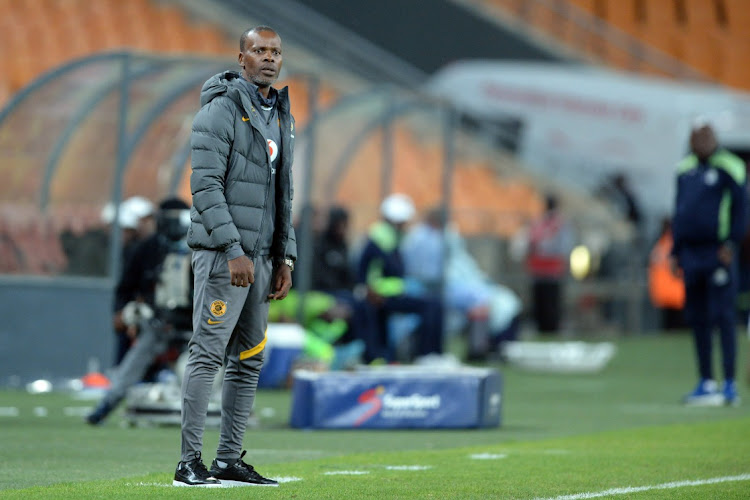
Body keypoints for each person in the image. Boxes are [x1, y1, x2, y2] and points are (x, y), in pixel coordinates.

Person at [174, 26, 296, 488]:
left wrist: (285, 257)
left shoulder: (280, 113)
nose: (268, 58)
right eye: (259, 50)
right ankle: (189, 462)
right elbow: (204, 187)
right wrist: (233, 249)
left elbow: (284, 192)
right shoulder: (219, 110)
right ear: (240, 57)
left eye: (275, 52)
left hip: (262, 259)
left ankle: (228, 459)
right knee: (207, 355)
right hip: (227, 258)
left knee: (249, 359)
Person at [86, 198, 192, 425]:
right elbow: (126, 287)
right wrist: (124, 312)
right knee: (133, 363)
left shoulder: (203, 246)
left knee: (196, 369)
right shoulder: (146, 248)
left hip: (195, 323)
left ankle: (206, 412)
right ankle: (107, 405)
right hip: (158, 320)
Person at [671, 123, 747, 406]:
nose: (699, 142)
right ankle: (706, 381)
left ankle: (729, 383)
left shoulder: (730, 167)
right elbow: (679, 212)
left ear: (714, 138)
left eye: (704, 136)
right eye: (694, 137)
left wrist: (731, 244)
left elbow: (741, 209)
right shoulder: (684, 169)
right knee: (697, 318)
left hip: (718, 253)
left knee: (723, 316)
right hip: (691, 254)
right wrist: (675, 251)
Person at [402, 207, 522, 360]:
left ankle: (483, 348)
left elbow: (459, 265)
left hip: (450, 286)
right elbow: (429, 272)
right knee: (483, 302)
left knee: (497, 301)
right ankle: (476, 349)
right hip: (433, 288)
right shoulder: (422, 238)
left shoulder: (444, 236)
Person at [355, 193, 444, 363]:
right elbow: (365, 267)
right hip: (383, 295)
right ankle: (428, 355)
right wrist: (367, 289)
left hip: (392, 293)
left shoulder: (388, 236)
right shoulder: (381, 238)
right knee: (432, 306)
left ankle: (429, 355)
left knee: (433, 303)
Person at [523, 194, 575, 334]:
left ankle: (552, 326)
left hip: (552, 267)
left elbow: (563, 245)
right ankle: (542, 326)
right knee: (540, 299)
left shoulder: (560, 223)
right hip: (538, 267)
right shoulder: (539, 221)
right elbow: (531, 241)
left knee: (552, 299)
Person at [647, 217, 685, 330]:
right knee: (677, 331)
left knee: (671, 329)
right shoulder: (673, 244)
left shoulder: (659, 245)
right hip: (677, 295)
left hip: (665, 295)